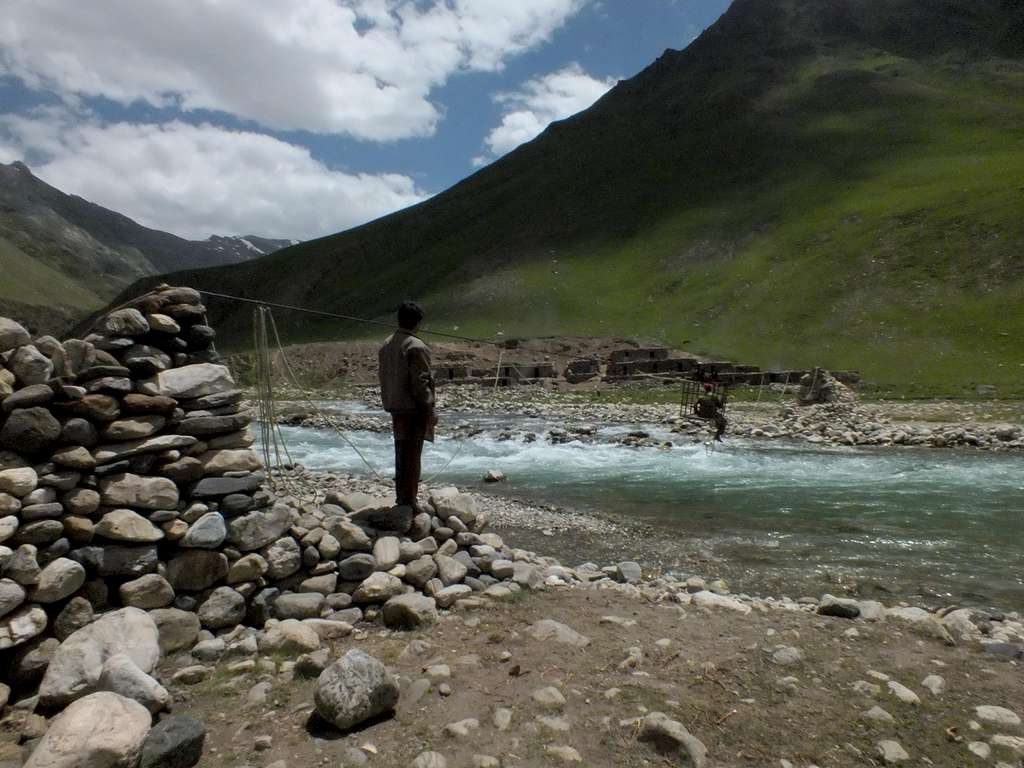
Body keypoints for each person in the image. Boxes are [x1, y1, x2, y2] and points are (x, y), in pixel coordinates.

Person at [378, 301, 437, 510]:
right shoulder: (416, 346)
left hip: (395, 406)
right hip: (413, 409)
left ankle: (401, 498)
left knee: (401, 452)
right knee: (412, 455)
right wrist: (429, 408)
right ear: (417, 322)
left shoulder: (386, 344)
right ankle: (409, 501)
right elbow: (420, 382)